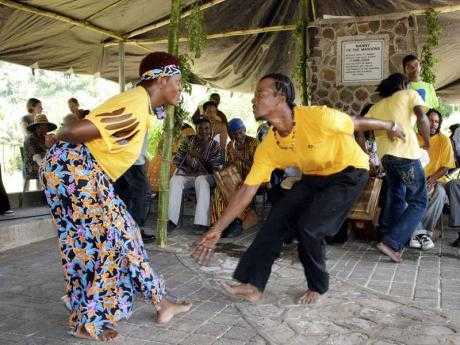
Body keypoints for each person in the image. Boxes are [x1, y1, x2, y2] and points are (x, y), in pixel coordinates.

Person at [192, 73, 405, 304]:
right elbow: (247, 189)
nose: (253, 100)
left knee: (309, 227)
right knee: (275, 220)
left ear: (280, 97)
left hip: (350, 172)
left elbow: (356, 123)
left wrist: (391, 125)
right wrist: (217, 229)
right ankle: (253, 285)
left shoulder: (317, 117)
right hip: (315, 176)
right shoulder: (269, 146)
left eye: (260, 94)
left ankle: (317, 286)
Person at [40, 52, 192, 341]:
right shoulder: (136, 104)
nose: (180, 88)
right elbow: (79, 129)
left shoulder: (139, 104)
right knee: (112, 239)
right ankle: (89, 322)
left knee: (114, 238)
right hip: (77, 170)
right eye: (178, 81)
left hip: (75, 171)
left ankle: (159, 303)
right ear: (161, 79)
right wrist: (60, 134)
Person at [365, 73, 430, 262]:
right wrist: (427, 141)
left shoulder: (377, 105)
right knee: (419, 201)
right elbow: (422, 117)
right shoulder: (409, 94)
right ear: (403, 84)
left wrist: (368, 156)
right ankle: (392, 242)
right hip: (406, 155)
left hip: (387, 159)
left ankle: (386, 236)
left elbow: (360, 130)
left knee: (396, 197)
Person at [168, 117, 224, 234]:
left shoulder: (215, 146)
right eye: (200, 128)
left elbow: (214, 168)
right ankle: (171, 221)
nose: (204, 131)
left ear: (211, 129)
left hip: (207, 176)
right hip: (189, 175)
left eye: (206, 128)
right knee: (175, 180)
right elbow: (177, 161)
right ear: (196, 129)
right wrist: (186, 159)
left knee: (201, 180)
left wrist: (198, 156)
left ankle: (202, 223)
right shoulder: (188, 141)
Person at [409, 109, 455, 249]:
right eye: (430, 120)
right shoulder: (414, 138)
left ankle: (421, 233)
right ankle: (421, 234)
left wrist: (433, 179)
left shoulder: (444, 140)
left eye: (436, 121)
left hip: (435, 178)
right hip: (415, 178)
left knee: (440, 193)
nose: (434, 124)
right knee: (409, 192)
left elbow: (446, 166)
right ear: (422, 122)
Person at [211, 118, 258, 238]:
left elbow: (258, 166)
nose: (240, 135)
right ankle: (220, 223)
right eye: (236, 133)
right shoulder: (230, 146)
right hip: (235, 178)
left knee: (237, 190)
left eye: (241, 132)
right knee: (218, 191)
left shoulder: (254, 143)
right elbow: (228, 165)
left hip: (252, 178)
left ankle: (238, 221)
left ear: (245, 130)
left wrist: (241, 158)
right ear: (231, 135)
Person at [114, 132, 155, 243]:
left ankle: (125, 231)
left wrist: (144, 156)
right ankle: (134, 232)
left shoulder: (142, 115)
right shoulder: (135, 114)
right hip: (130, 158)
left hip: (130, 158)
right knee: (142, 195)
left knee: (126, 196)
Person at [23, 114, 56, 191]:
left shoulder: (45, 138)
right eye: (42, 127)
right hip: (32, 166)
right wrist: (48, 167)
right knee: (56, 170)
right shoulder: (30, 139)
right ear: (36, 128)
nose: (45, 129)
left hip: (43, 163)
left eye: (46, 127)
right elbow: (36, 158)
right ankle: (50, 193)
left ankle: (50, 193)